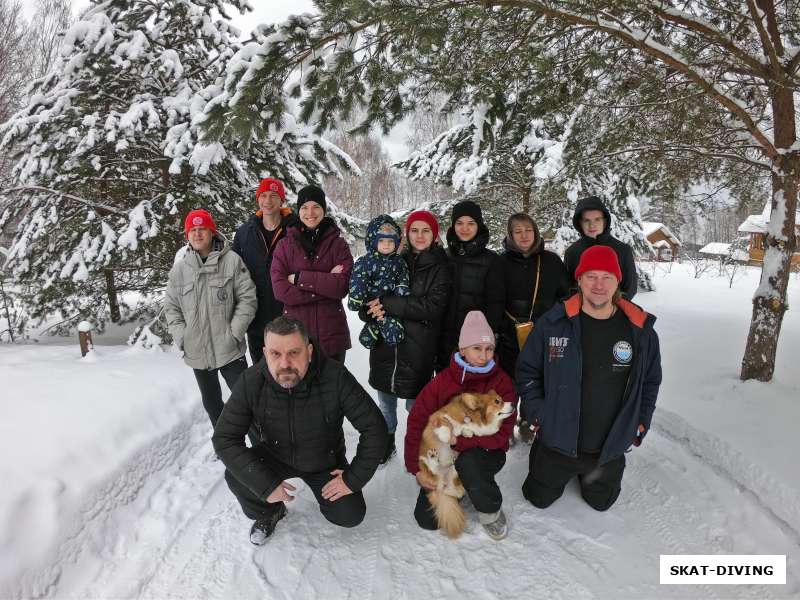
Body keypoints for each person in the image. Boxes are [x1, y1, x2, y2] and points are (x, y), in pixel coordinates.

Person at [212, 316, 388, 545]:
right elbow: (225, 438)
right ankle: (271, 511)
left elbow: (375, 428)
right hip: (274, 455)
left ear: (310, 351)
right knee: (237, 475)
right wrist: (264, 485)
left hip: (323, 461)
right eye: (275, 354)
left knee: (350, 514)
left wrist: (351, 479)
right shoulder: (251, 381)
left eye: (294, 353)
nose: (285, 363)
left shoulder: (335, 377)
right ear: (265, 353)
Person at [516, 245, 661, 512]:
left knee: (601, 504)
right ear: (579, 279)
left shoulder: (640, 331)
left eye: (607, 277)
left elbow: (650, 382)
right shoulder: (553, 323)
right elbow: (528, 372)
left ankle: (591, 475)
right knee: (537, 499)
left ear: (618, 281)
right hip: (556, 442)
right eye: (591, 276)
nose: (599, 284)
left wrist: (640, 422)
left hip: (607, 449)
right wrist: (538, 415)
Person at [405, 310, 516, 540]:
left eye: (489, 349)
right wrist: (416, 469)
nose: (484, 355)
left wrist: (461, 442)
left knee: (470, 462)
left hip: (485, 452)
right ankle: (459, 486)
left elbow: (503, 434)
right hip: (444, 454)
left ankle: (489, 510)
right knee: (427, 520)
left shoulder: (502, 383)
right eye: (477, 348)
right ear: (463, 349)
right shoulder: (443, 382)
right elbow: (416, 422)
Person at [360, 210, 452, 463]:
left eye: (425, 230)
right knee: (385, 402)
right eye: (414, 230)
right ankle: (386, 443)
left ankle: (420, 448)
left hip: (417, 348)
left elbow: (431, 307)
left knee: (417, 406)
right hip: (385, 345)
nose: (419, 235)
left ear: (435, 235)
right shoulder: (391, 260)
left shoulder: (440, 267)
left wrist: (388, 304)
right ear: (406, 234)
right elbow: (369, 294)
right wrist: (370, 310)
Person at [164, 209, 257, 427]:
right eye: (193, 230)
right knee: (212, 403)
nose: (197, 234)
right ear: (187, 235)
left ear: (212, 232)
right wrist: (183, 337)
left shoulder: (232, 261)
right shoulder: (179, 270)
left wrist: (234, 333)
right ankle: (226, 448)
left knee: (246, 403)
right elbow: (171, 308)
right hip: (197, 350)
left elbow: (247, 299)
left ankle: (259, 450)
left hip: (230, 349)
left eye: (202, 229)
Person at [498, 213, 570, 442]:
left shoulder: (551, 261)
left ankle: (530, 421)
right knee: (508, 383)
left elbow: (566, 296)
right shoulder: (500, 262)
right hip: (509, 335)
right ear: (510, 235)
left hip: (544, 334)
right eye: (517, 231)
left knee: (539, 381)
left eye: (528, 230)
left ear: (536, 232)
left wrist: (551, 320)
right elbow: (492, 299)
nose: (524, 235)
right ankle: (506, 425)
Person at [270, 184, 353, 363]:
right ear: (298, 211)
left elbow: (342, 286)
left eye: (316, 206)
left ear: (323, 209)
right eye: (305, 207)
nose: (310, 212)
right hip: (295, 337)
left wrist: (300, 278)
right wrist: (325, 286)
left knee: (333, 390)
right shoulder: (284, 246)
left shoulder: (338, 245)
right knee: (300, 390)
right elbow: (281, 291)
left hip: (332, 337)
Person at [233, 177, 299, 364]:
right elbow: (234, 272)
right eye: (263, 196)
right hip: (256, 318)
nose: (268, 201)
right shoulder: (244, 233)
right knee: (261, 371)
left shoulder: (295, 229)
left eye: (273, 196)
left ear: (281, 200)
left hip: (288, 313)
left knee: (289, 369)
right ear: (257, 199)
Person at [438, 200, 504, 371]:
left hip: (475, 345)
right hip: (444, 342)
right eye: (459, 223)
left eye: (471, 223)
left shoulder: (491, 260)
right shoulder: (443, 257)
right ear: (453, 226)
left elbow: (495, 304)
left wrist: (485, 341)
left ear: (479, 226)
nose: (464, 228)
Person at [348, 214, 410, 349]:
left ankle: (378, 326)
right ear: (374, 242)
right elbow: (358, 278)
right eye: (382, 241)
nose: (386, 245)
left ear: (397, 242)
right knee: (374, 322)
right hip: (370, 301)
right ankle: (374, 327)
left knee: (393, 332)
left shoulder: (399, 261)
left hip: (391, 303)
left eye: (390, 241)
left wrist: (401, 292)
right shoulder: (365, 261)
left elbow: (403, 277)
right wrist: (356, 298)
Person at [563, 195, 638, 300]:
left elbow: (630, 288)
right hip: (581, 313)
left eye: (597, 219)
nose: (592, 225)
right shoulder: (572, 252)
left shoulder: (622, 250)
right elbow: (568, 288)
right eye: (586, 220)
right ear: (580, 223)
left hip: (614, 312)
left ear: (605, 221)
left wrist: (610, 310)